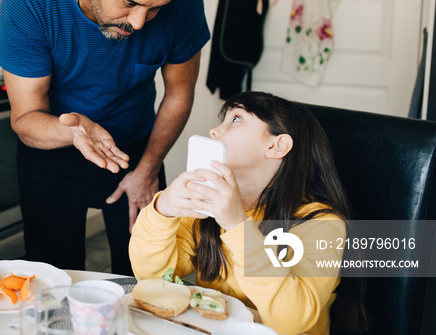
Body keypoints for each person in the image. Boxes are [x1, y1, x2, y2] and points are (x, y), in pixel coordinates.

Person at [0, 0, 209, 275]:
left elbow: (179, 93)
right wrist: (74, 131)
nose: (140, 23)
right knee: (53, 277)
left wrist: (147, 169)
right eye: (129, 1)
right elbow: (25, 117)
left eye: (156, 7)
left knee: (143, 272)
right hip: (53, 147)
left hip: (137, 150)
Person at [129, 91, 366, 335]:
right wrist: (163, 211)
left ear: (276, 145)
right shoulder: (208, 207)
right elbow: (153, 278)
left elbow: (292, 320)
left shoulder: (323, 224)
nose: (214, 131)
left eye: (235, 119)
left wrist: (236, 225)